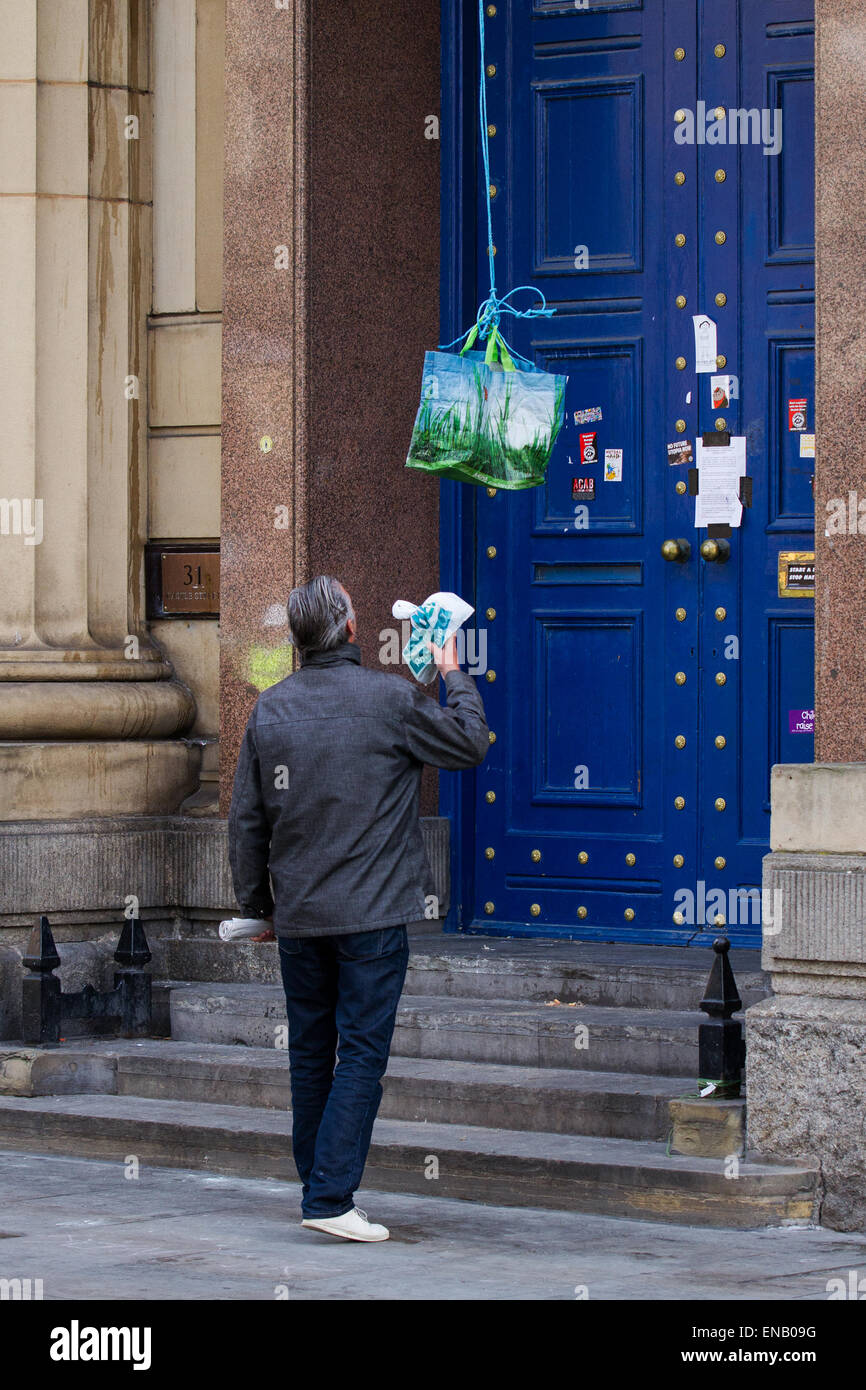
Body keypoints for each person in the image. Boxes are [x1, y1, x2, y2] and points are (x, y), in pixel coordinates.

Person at [228, 575, 488, 1241]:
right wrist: (452, 670)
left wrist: (258, 906)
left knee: (312, 1053)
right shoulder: (392, 699)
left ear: (296, 639)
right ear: (349, 629)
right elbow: (469, 743)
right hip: (371, 916)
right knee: (362, 1054)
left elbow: (248, 824)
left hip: (301, 919)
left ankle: (319, 1186)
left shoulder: (270, 711)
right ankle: (330, 1199)